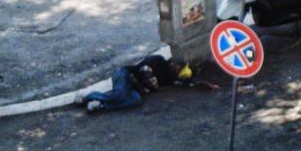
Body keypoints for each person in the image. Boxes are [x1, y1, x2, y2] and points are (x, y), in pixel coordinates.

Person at [75, 55, 219, 113]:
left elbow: (190, 83)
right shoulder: (159, 61)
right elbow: (144, 70)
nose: (177, 71)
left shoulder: (170, 78)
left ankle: (100, 105)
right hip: (126, 75)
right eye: (178, 67)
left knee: (136, 100)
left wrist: (208, 85)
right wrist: (155, 87)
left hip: (137, 88)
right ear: (173, 64)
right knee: (120, 94)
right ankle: (87, 96)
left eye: (180, 70)